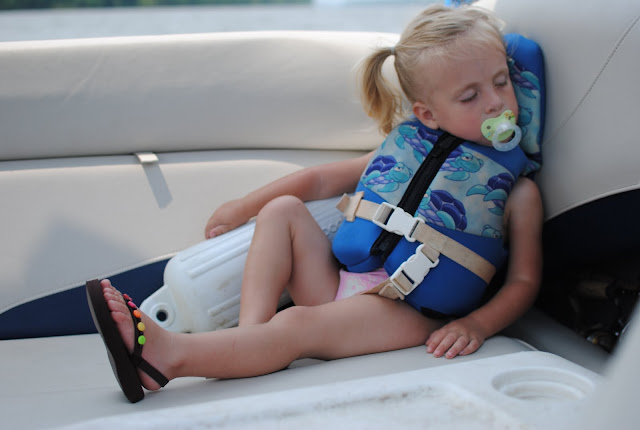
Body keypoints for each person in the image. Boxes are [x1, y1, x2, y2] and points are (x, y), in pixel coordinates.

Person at [87, 4, 543, 403]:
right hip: (343, 283)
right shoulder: (406, 145)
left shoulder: (518, 192)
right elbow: (319, 179)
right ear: (427, 113)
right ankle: (250, 338)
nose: (495, 103)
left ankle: (168, 358)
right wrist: (245, 205)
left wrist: (478, 325)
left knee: (298, 325)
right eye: (470, 96)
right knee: (282, 210)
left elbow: (524, 281)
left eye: (501, 82)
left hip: (409, 313)